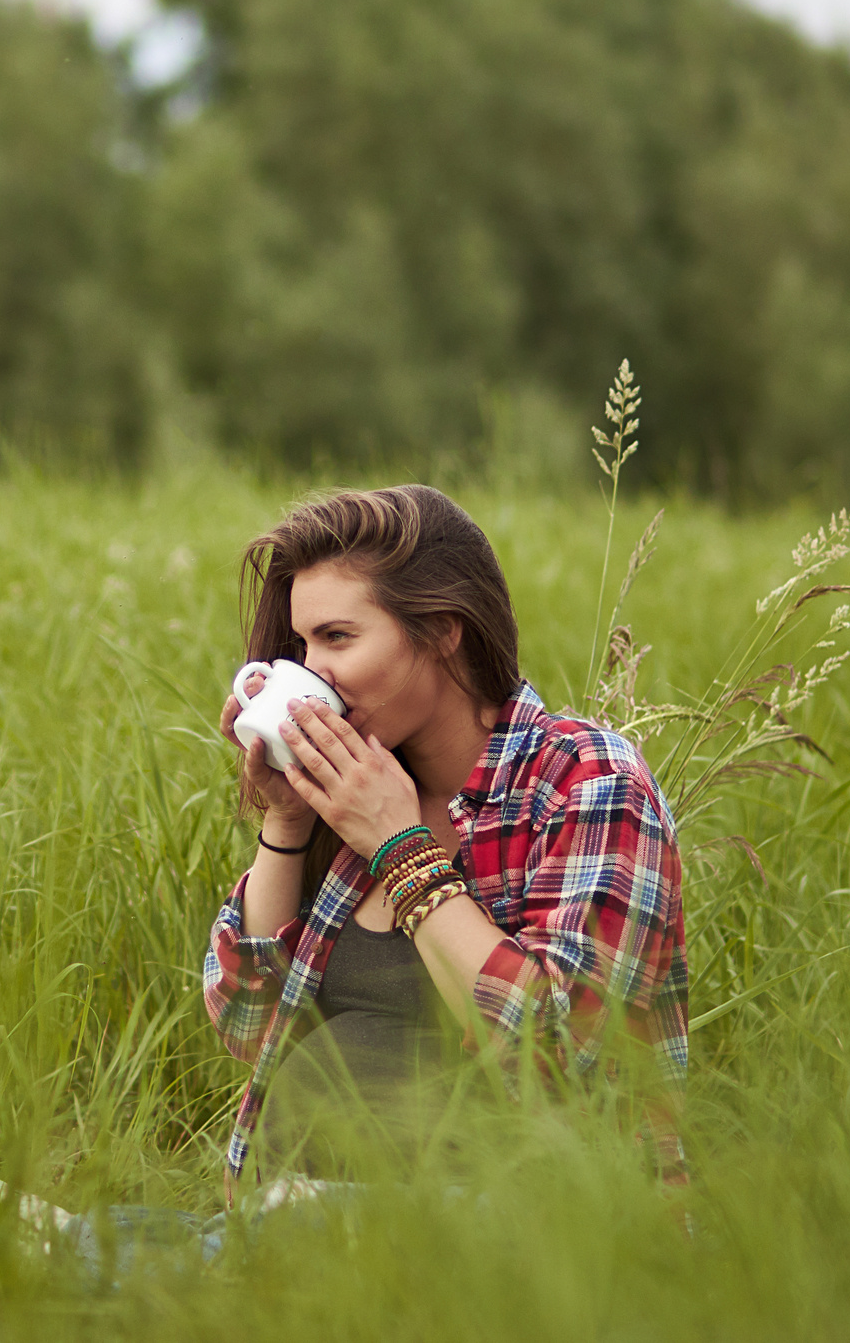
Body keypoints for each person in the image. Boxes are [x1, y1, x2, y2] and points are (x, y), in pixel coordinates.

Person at [203, 485, 688, 1200]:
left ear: (442, 630)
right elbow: (248, 1022)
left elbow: (562, 1055)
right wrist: (286, 823)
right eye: (302, 645)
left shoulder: (584, 779)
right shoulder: (359, 789)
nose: (309, 672)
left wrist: (401, 850)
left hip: (515, 1261)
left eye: (337, 638)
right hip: (281, 1244)